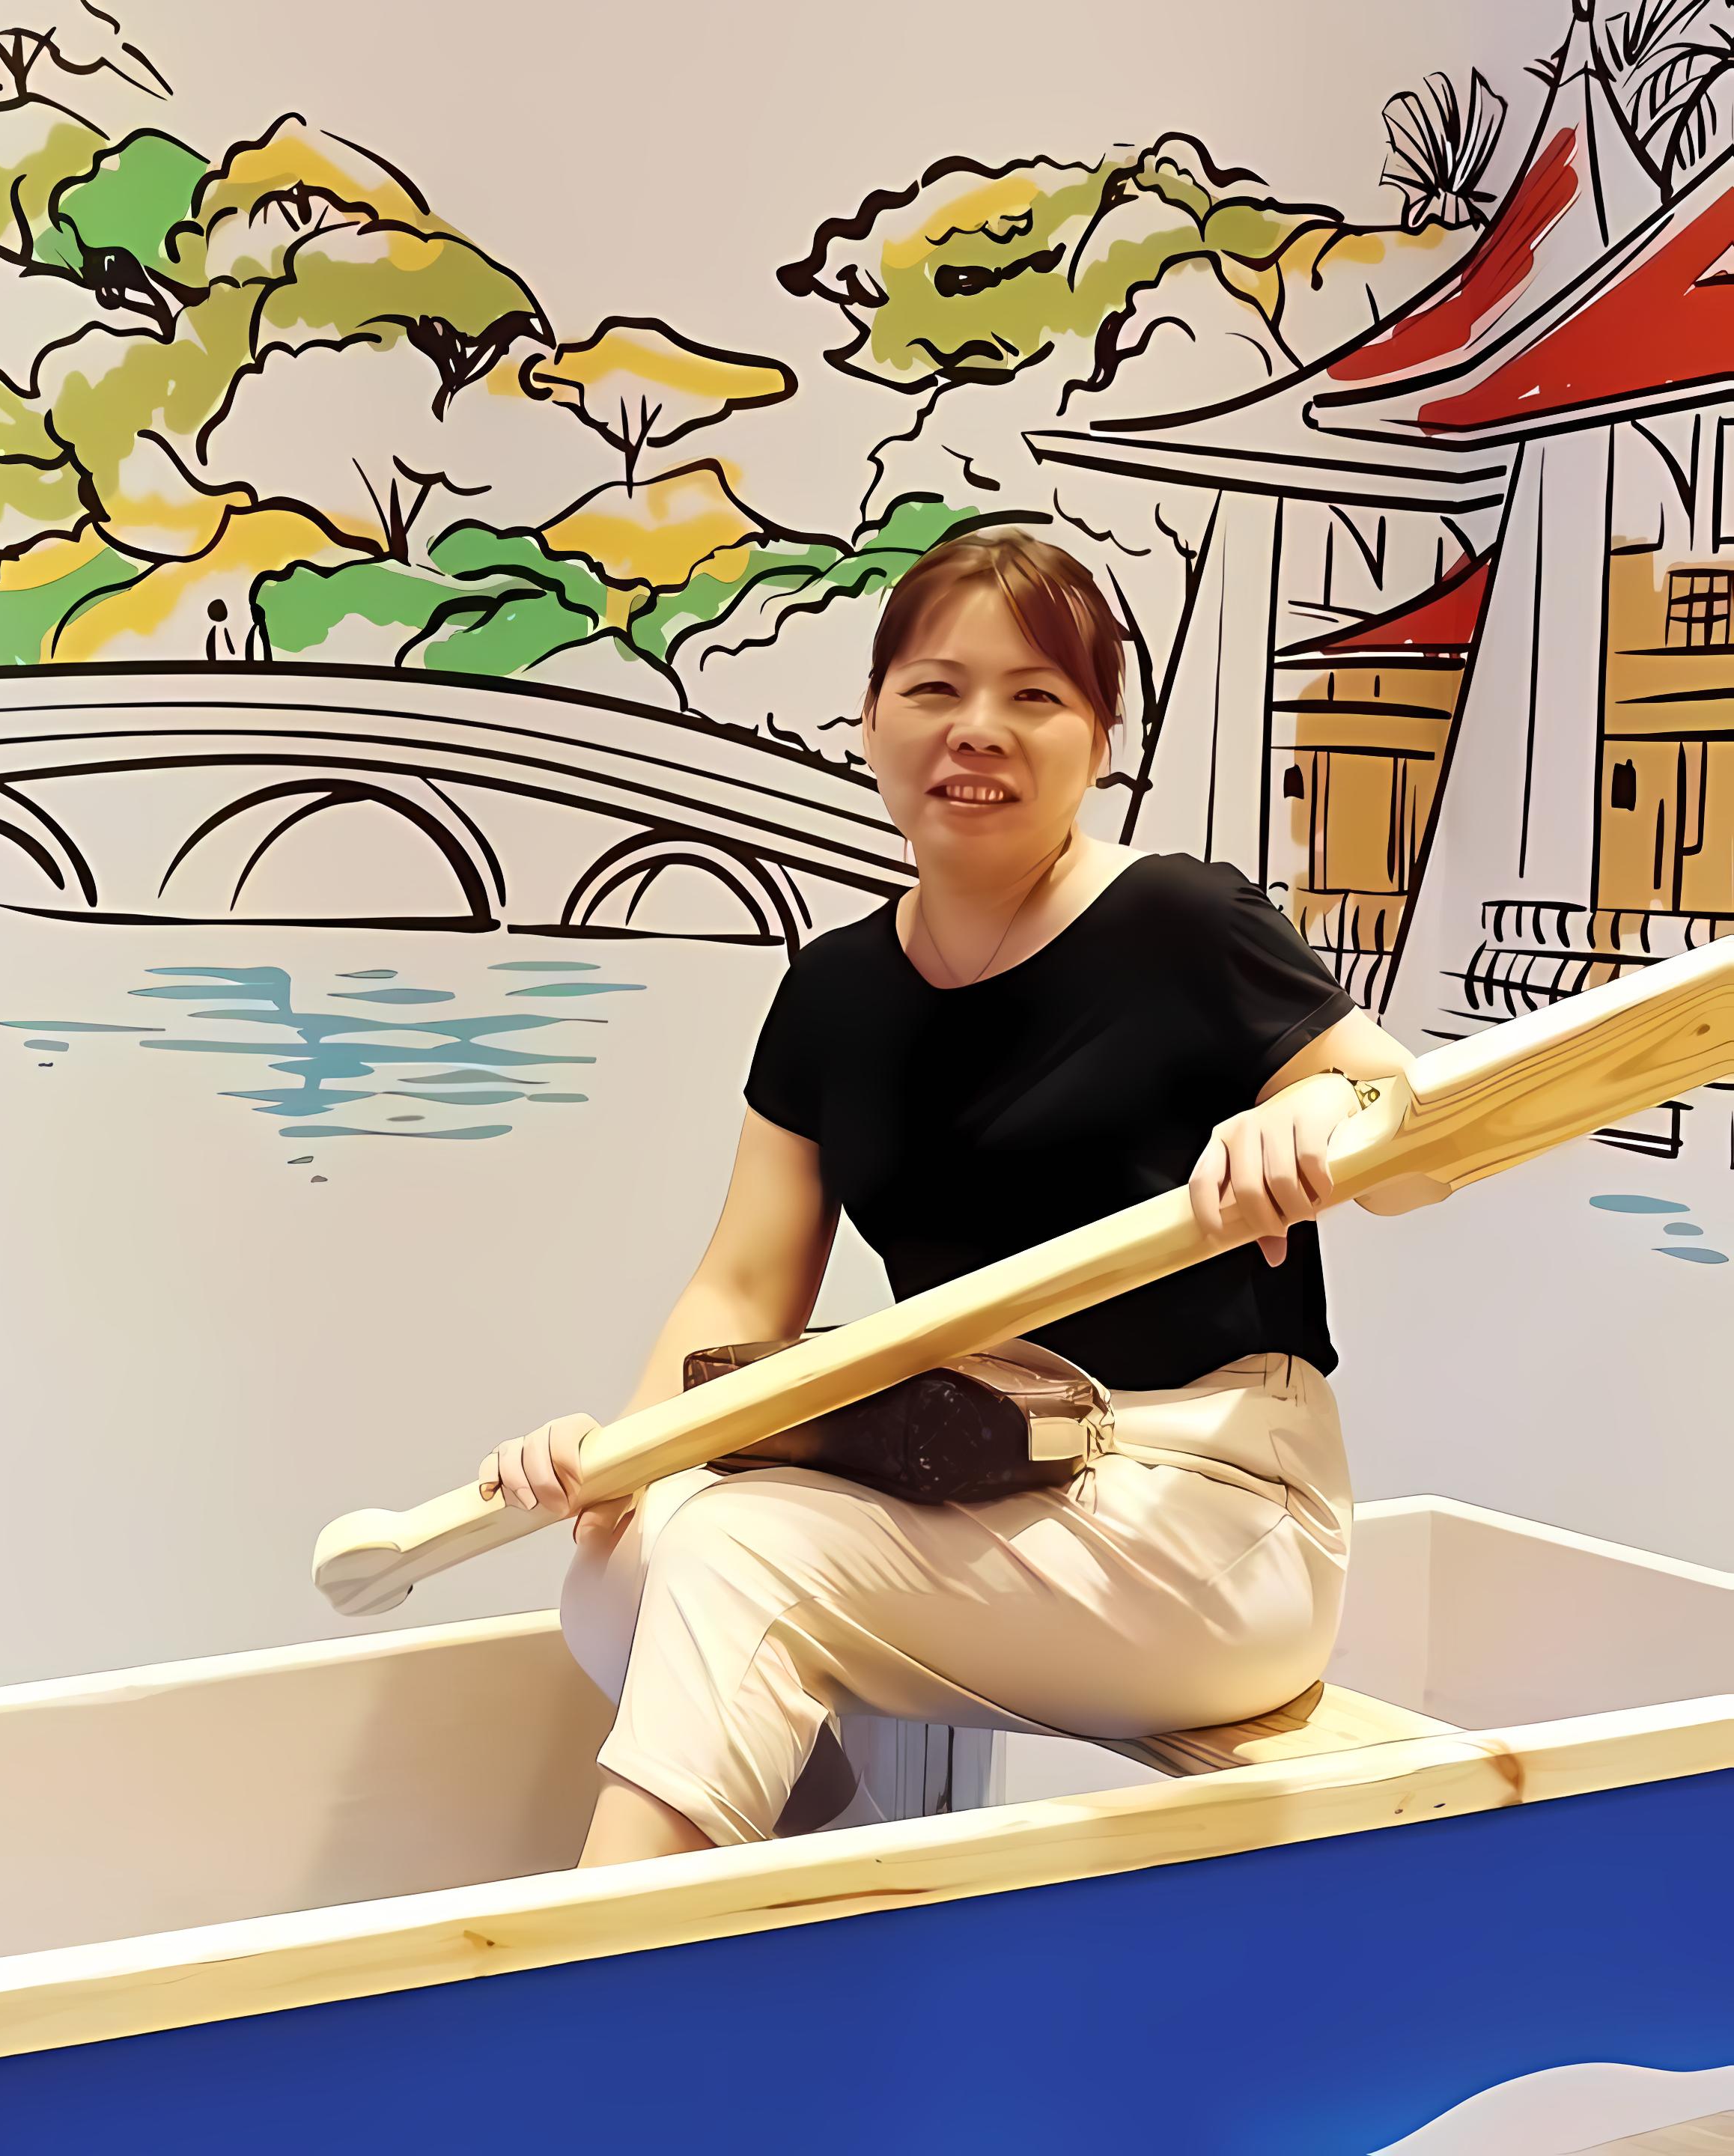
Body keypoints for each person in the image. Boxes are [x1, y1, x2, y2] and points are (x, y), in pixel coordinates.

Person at [478, 531, 1432, 1867]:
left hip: (1214, 1503)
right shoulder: (833, 993)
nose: (977, 729)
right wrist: (620, 1465)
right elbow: (742, 1287)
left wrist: (1323, 1113)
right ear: (870, 721)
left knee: (741, 1551)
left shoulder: (1185, 922)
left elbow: (1415, 1136)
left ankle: (601, 1972)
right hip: (980, 1470)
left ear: (1099, 741)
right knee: (618, 1577)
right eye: (935, 689)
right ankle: (837, 1875)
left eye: (1034, 696)